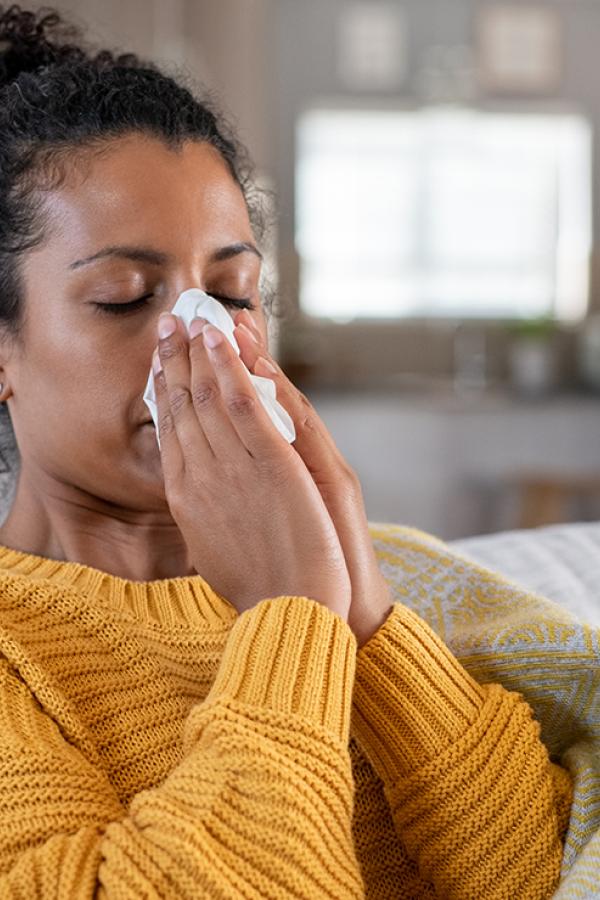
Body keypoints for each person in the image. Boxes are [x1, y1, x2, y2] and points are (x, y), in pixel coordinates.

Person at [0, 5, 573, 897]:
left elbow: (536, 873)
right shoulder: (17, 654)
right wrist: (291, 616)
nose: (208, 343)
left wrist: (370, 618)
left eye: (232, 292)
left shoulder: (352, 582)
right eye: (121, 296)